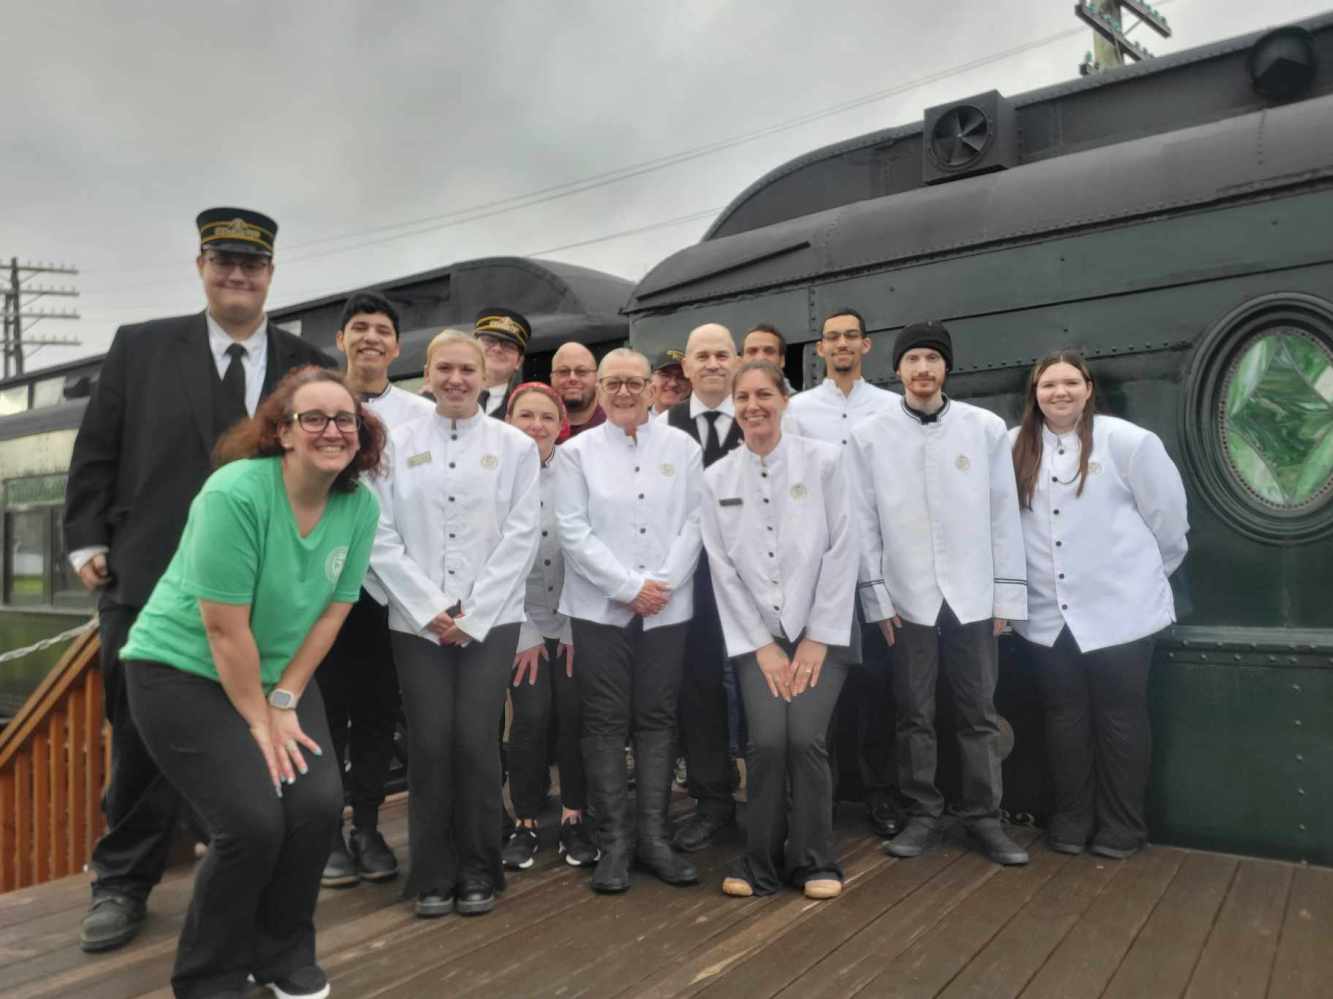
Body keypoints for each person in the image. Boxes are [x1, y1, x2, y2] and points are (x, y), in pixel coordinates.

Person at [63, 207, 334, 953]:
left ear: (271, 274)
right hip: (149, 581)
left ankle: (251, 878)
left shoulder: (307, 364)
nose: (237, 275)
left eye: (251, 265)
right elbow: (96, 450)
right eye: (223, 261)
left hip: (265, 596)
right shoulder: (141, 347)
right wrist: (85, 536)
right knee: (142, 744)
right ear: (202, 267)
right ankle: (121, 881)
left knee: (264, 740)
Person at [117, 366, 383, 999]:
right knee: (251, 821)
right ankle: (208, 977)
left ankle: (282, 953)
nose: (331, 430)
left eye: (345, 419)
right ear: (282, 433)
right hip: (181, 672)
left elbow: (333, 612)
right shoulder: (235, 492)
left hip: (277, 677)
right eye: (312, 418)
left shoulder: (360, 504)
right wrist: (260, 718)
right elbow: (222, 628)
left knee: (317, 806)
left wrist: (285, 698)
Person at [370, 330, 541, 918]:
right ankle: (433, 874)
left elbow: (522, 534)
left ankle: (479, 869)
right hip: (416, 624)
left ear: (484, 375)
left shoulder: (515, 446)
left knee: (474, 742)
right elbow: (379, 532)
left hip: (489, 623)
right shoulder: (392, 443)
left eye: (467, 369)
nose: (456, 379)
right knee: (430, 744)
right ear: (427, 373)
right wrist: (428, 607)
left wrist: (475, 610)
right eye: (444, 368)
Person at [849, 321, 1030, 866]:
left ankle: (983, 818)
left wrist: (1006, 598)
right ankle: (922, 813)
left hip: (973, 595)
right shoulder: (869, 435)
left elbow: (1004, 514)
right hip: (908, 599)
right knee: (913, 714)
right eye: (913, 360)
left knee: (978, 712)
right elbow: (863, 522)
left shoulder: (984, 428)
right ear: (898, 368)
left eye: (932, 358)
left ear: (946, 366)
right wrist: (877, 599)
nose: (922, 369)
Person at [1010, 350, 1187, 859]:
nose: (1059, 392)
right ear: (1035, 393)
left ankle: (1123, 827)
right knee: (1063, 718)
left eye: (1069, 382)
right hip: (1047, 615)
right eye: (1048, 385)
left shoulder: (1130, 443)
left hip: (1122, 612)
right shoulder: (1012, 448)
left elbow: (1170, 523)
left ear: (1088, 388)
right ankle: (1070, 820)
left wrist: (1137, 580)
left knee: (1121, 718)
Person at [701, 361, 856, 901]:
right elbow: (722, 568)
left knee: (805, 738)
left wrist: (816, 636)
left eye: (764, 394)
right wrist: (762, 646)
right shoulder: (716, 478)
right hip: (757, 640)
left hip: (823, 633)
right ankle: (759, 861)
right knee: (766, 741)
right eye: (743, 397)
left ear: (785, 400)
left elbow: (843, 549)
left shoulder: (827, 462)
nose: (753, 406)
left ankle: (816, 859)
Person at [555, 348, 703, 894]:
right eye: (612, 382)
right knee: (603, 722)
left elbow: (695, 520)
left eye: (633, 383)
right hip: (600, 611)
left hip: (667, 609)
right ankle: (615, 842)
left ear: (650, 387)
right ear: (598, 386)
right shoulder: (577, 454)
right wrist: (628, 588)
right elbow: (573, 530)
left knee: (658, 718)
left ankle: (655, 837)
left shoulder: (682, 447)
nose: (623, 392)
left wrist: (659, 585)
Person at [318, 291, 433, 888]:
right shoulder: (315, 403)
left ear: (396, 344)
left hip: (392, 588)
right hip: (322, 583)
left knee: (377, 712)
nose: (370, 338)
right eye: (358, 328)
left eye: (382, 330)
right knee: (325, 713)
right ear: (341, 339)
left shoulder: (420, 413)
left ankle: (366, 825)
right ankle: (325, 831)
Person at [787, 307, 901, 840]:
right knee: (820, 694)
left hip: (879, 568)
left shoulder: (891, 407)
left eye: (851, 337)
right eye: (832, 338)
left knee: (879, 688)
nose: (841, 346)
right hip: (820, 572)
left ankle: (882, 795)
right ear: (821, 350)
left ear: (866, 346)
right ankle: (820, 800)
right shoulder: (799, 409)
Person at [501, 382, 599, 870]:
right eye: (525, 416)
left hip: (575, 617)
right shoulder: (494, 476)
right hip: (522, 621)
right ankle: (526, 820)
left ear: (559, 423)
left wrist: (579, 626)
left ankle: (575, 816)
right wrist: (523, 633)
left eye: (545, 416)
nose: (535, 425)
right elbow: (490, 561)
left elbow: (592, 548)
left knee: (574, 717)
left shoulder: (579, 471)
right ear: (509, 420)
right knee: (533, 718)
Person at [665, 323, 745, 852]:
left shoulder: (763, 417)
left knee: (760, 688)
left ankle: (769, 800)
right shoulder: (663, 428)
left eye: (722, 354)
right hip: (688, 582)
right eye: (703, 356)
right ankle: (712, 799)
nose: (713, 363)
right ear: (686, 366)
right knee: (697, 692)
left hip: (755, 582)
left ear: (736, 360)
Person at [475, 308, 530, 417]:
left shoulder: (525, 411)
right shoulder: (439, 398)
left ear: (519, 362)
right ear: (473, 347)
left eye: (508, 346)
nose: (497, 349)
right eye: (489, 340)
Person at [550, 341, 605, 437]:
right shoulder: (540, 428)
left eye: (581, 371)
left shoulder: (615, 425)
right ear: (551, 378)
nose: (572, 378)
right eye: (563, 371)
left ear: (597, 378)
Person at [650, 348, 690, 418]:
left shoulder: (701, 424)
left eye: (681, 377)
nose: (673, 383)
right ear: (651, 379)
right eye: (665, 375)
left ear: (690, 385)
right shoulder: (633, 421)